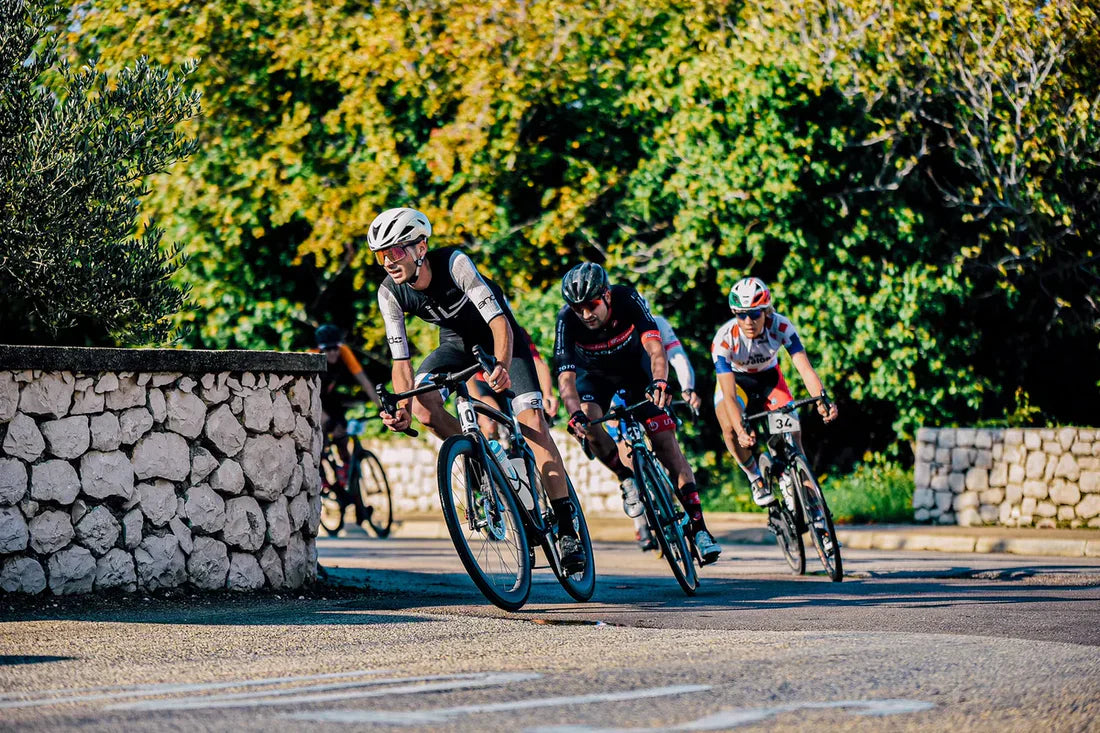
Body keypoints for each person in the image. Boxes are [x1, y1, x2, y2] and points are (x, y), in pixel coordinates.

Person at [369, 207, 586, 572]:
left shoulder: (455, 263)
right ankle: (477, 455)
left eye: (395, 251)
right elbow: (401, 362)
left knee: (532, 426)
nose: (388, 261)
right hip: (455, 345)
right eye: (381, 255)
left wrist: (501, 364)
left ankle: (566, 528)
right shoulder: (390, 293)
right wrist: (402, 408)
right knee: (422, 407)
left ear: (420, 247)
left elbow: (500, 322)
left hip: (502, 341)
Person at [554, 262, 721, 564]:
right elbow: (566, 379)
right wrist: (575, 413)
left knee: (666, 445)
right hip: (594, 377)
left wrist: (660, 381)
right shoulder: (567, 319)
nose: (586, 314)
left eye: (591, 305)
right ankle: (625, 477)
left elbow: (657, 350)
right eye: (578, 308)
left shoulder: (627, 299)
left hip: (636, 371)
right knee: (590, 423)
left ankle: (699, 528)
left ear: (605, 296)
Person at [711, 277, 838, 508]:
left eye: (755, 314)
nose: (748, 321)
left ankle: (816, 513)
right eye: (741, 314)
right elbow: (728, 396)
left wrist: (822, 399)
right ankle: (755, 478)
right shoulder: (724, 339)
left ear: (766, 312)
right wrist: (741, 429)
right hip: (736, 383)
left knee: (794, 440)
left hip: (769, 380)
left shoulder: (781, 327)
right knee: (729, 426)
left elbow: (805, 369)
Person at [605, 305, 700, 551]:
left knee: (668, 446)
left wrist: (687, 388)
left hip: (649, 385)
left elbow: (677, 357)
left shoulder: (659, 324)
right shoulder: (611, 330)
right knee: (623, 444)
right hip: (619, 390)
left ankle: (682, 506)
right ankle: (640, 523)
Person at [312, 324, 381, 489]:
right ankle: (318, 471)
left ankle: (346, 470)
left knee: (342, 433)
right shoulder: (312, 357)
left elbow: (364, 381)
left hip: (329, 398)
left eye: (335, 348)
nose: (333, 353)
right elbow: (308, 397)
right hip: (312, 399)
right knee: (325, 428)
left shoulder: (344, 352)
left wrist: (380, 406)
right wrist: (326, 420)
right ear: (320, 350)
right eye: (328, 350)